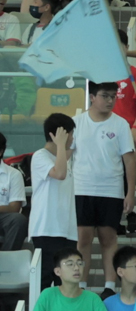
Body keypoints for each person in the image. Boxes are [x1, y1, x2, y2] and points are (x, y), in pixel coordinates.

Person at [73, 81, 136, 293]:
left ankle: (109, 287)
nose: (110, 101)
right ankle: (81, 285)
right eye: (105, 96)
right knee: (83, 239)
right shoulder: (76, 123)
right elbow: (66, 155)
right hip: (81, 188)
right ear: (92, 97)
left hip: (111, 190)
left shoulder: (121, 124)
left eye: (113, 96)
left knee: (108, 239)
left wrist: (130, 193)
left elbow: (129, 160)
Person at [30, 114, 78, 290]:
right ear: (59, 135)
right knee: (45, 277)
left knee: (65, 281)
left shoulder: (62, 159)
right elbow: (59, 174)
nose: (72, 138)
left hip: (66, 230)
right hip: (47, 228)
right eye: (70, 134)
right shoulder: (40, 156)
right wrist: (60, 145)